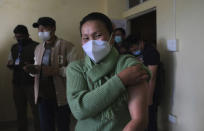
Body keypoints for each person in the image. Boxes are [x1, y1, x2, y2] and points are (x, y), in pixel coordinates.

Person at [66, 12, 151, 131]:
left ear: (111, 38)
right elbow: (79, 110)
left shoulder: (128, 64)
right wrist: (121, 80)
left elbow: (138, 120)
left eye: (98, 35)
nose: (91, 42)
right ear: (81, 42)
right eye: (86, 38)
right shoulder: (76, 68)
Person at [24, 17, 78, 131]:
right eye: (39, 29)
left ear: (53, 28)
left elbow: (75, 71)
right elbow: (37, 69)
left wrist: (56, 71)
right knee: (46, 127)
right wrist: (32, 71)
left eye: (44, 29)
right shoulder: (38, 48)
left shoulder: (67, 46)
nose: (40, 32)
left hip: (61, 97)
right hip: (43, 97)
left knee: (63, 126)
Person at [7, 25, 40, 131]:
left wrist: (31, 65)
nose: (18, 39)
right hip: (17, 84)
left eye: (20, 37)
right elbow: (10, 61)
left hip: (32, 84)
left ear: (27, 35)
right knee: (20, 111)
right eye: (16, 37)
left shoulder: (37, 47)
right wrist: (10, 64)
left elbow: (40, 65)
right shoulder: (14, 47)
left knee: (36, 111)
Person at [128, 35, 160, 131]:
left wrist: (149, 97)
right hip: (140, 89)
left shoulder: (151, 53)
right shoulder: (138, 53)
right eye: (132, 50)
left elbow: (152, 77)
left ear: (141, 43)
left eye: (135, 48)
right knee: (140, 118)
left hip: (151, 90)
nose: (134, 51)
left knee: (150, 119)